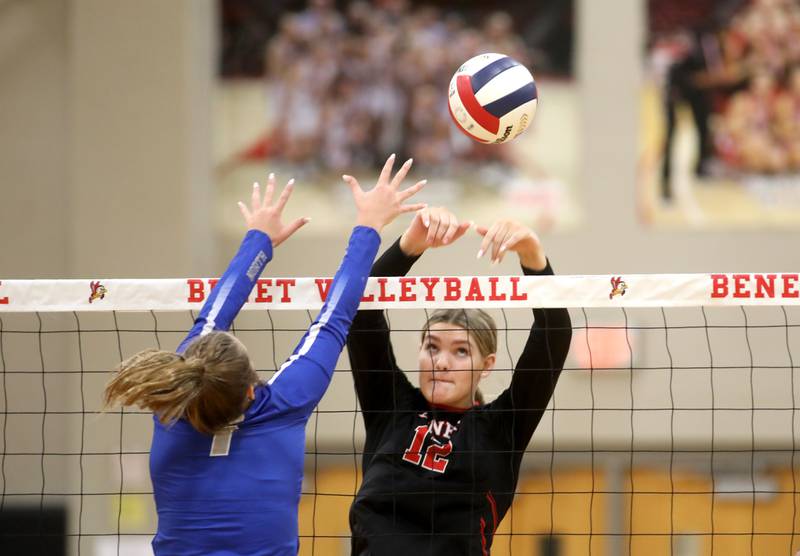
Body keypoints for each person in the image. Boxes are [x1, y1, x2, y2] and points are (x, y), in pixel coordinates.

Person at [103, 155, 425, 556]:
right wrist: (366, 225)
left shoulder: (172, 405)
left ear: (190, 366)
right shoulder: (282, 406)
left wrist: (263, 240)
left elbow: (220, 314)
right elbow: (334, 317)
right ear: (252, 392)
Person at [346, 207, 573, 555]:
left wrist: (532, 255)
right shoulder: (391, 408)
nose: (441, 363)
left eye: (461, 352)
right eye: (432, 347)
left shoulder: (500, 428)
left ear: (487, 365)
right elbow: (361, 310)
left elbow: (554, 334)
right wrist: (410, 245)